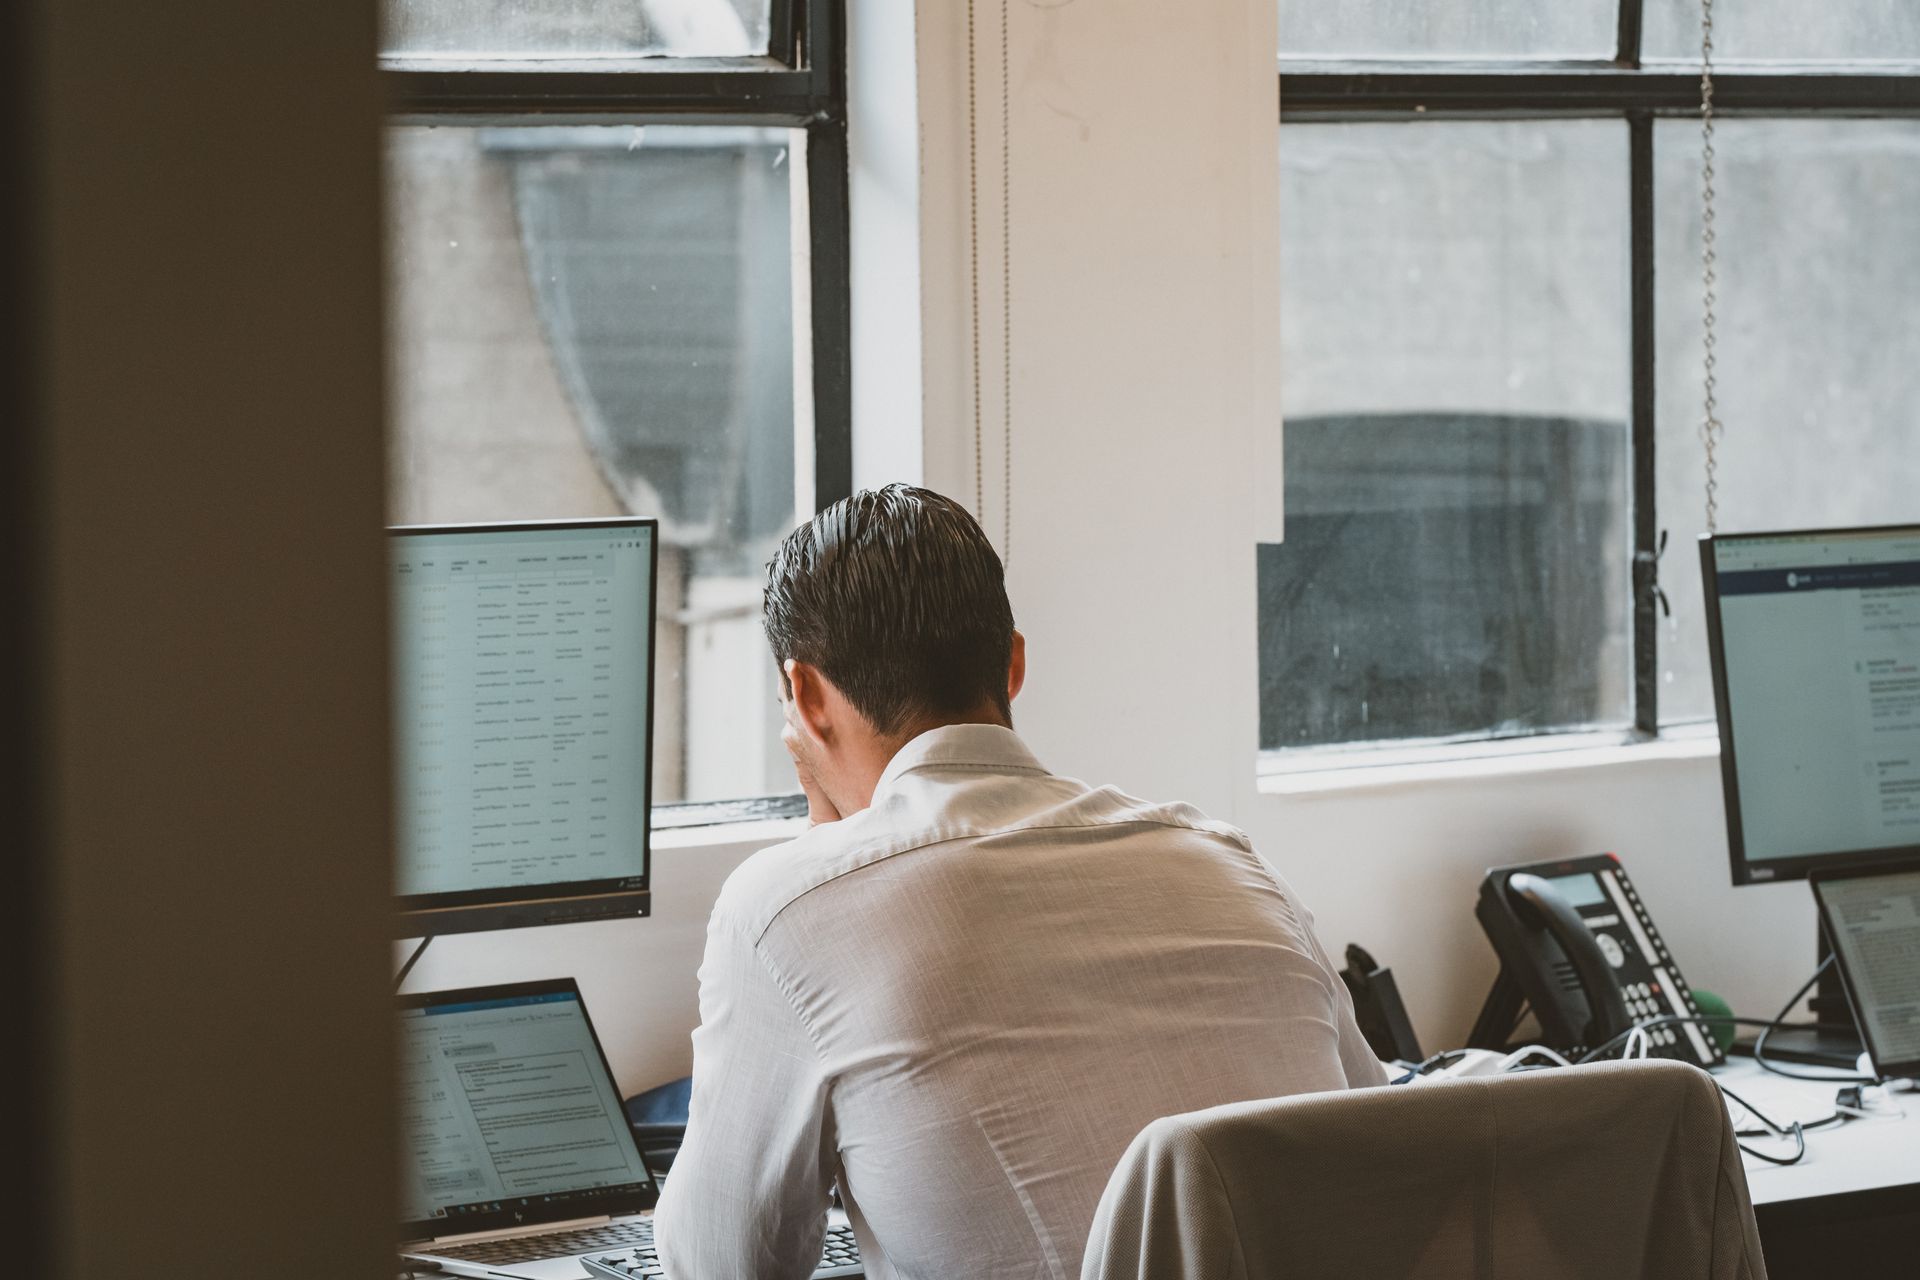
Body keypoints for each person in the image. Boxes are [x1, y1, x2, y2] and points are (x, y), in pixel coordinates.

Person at [653, 484, 1386, 1280]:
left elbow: (718, 1265)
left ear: (803, 694)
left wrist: (824, 845)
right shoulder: (1236, 864)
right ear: (1014, 662)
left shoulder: (787, 910)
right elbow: (1381, 1144)